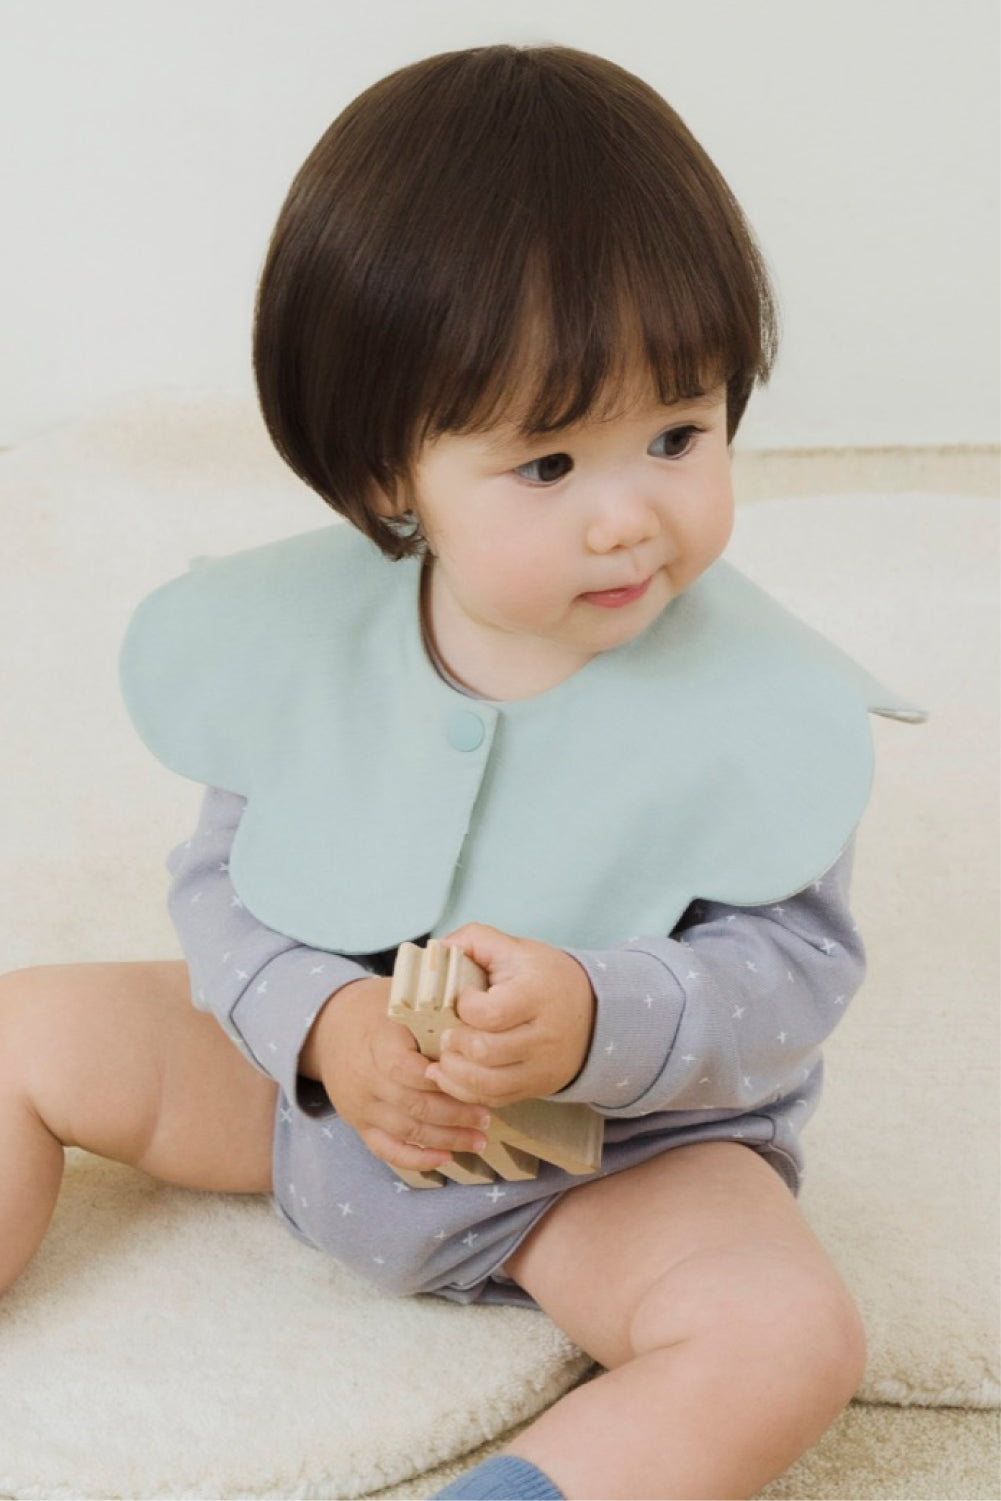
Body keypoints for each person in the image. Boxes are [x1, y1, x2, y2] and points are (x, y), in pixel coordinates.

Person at [0, 45, 923, 1501]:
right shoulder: (312, 646)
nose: (628, 518)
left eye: (677, 434)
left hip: (605, 1161)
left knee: (786, 1338)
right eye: (547, 466)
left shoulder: (756, 709)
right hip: (298, 1099)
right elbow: (225, 887)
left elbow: (789, 976)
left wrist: (590, 1021)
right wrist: (326, 1025)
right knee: (20, 1028)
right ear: (389, 479)